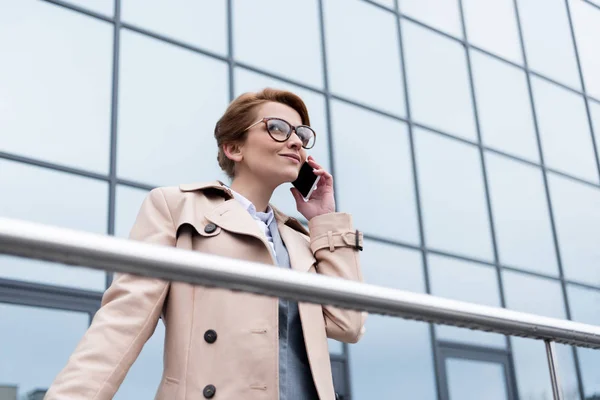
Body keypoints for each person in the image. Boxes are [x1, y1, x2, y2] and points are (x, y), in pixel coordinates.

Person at [45, 88, 366, 400]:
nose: (296, 141)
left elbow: (347, 323)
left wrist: (324, 218)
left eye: (302, 134)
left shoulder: (300, 239)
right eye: (278, 129)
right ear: (233, 148)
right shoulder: (176, 207)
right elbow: (121, 323)